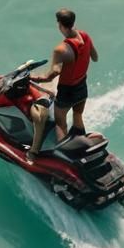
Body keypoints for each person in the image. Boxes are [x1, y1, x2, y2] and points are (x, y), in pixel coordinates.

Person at [27, 9, 98, 161]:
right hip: (82, 87)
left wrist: (35, 78)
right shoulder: (85, 36)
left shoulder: (61, 49)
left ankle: (65, 157)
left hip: (67, 92)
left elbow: (53, 73)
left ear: (60, 25)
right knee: (77, 114)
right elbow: (95, 57)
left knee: (60, 123)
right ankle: (82, 144)